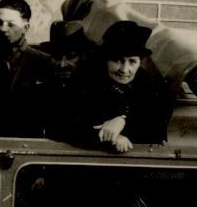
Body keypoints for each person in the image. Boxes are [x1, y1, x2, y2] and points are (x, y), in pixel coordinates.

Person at [63, 20, 176, 153]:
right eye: (117, 60)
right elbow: (69, 127)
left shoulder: (150, 85)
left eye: (132, 61)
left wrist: (122, 121)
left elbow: (156, 128)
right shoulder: (84, 81)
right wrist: (112, 137)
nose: (124, 69)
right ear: (105, 59)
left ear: (140, 62)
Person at [0, 0, 53, 136]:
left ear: (25, 28)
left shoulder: (43, 63)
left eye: (10, 24)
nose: (2, 29)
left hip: (28, 143)